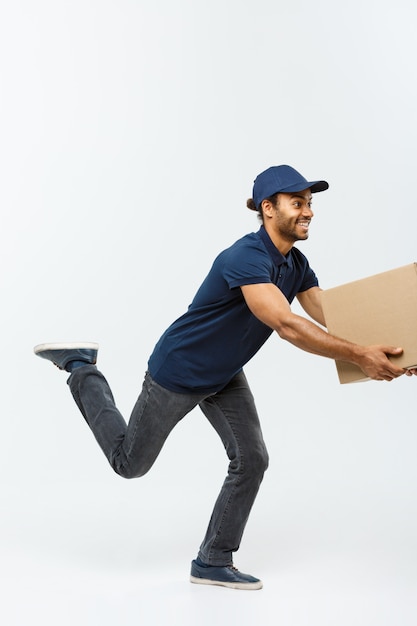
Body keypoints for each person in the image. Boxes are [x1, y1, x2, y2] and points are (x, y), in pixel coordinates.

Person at [34, 164, 414, 591]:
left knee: (252, 459)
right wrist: (361, 356)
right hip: (179, 371)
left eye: (310, 203)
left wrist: (398, 345)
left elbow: (328, 312)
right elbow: (286, 324)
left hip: (225, 372)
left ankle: (212, 560)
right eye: (297, 202)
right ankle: (81, 367)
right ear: (268, 209)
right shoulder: (245, 257)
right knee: (129, 464)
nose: (308, 211)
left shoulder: (296, 263)